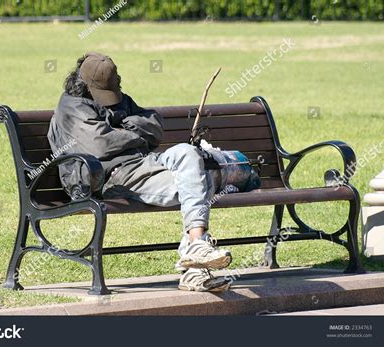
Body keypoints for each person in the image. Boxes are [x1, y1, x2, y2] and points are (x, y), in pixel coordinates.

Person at [48, 52, 257, 291]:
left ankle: (196, 249)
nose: (112, 100)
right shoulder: (71, 107)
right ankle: (195, 264)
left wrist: (121, 129)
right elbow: (101, 144)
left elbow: (154, 125)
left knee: (189, 154)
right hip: (113, 176)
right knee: (201, 182)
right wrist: (135, 136)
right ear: (85, 85)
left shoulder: (119, 99)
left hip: (143, 162)